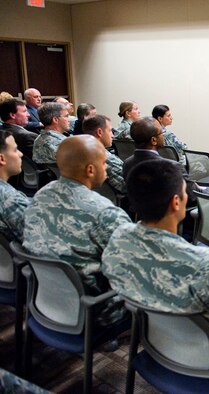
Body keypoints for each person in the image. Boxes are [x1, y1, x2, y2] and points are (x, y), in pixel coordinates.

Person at [103, 159, 209, 341]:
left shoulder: (118, 238)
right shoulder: (203, 263)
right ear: (176, 202)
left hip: (153, 340)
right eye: (184, 192)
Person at [23, 135, 131, 326]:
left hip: (45, 301)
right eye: (104, 163)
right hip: (95, 311)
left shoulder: (41, 195)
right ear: (90, 169)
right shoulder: (104, 212)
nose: (106, 168)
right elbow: (133, 266)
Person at [123, 117, 209, 208]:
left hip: (144, 214)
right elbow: (192, 195)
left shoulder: (127, 164)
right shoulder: (171, 166)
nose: (163, 134)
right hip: (177, 213)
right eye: (161, 132)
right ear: (154, 140)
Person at [0, 129, 30, 242]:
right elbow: (40, 237)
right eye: (15, 150)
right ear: (1, 159)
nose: (20, 154)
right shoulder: (10, 199)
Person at [83, 114, 125, 193]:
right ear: (99, 132)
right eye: (109, 131)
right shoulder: (106, 159)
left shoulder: (80, 153)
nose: (112, 135)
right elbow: (126, 186)